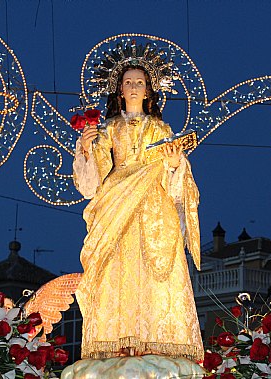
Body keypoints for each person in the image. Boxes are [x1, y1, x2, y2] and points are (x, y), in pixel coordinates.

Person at [73, 44, 203, 361]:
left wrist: (174, 165)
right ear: (119, 89)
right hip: (115, 204)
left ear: (148, 91)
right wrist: (86, 150)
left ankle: (154, 342)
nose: (134, 87)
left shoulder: (160, 129)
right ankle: (115, 343)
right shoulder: (107, 129)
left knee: (154, 272)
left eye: (139, 82)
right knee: (113, 272)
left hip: (153, 210)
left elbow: (174, 184)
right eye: (128, 81)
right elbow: (91, 186)